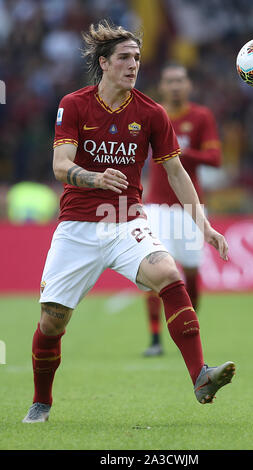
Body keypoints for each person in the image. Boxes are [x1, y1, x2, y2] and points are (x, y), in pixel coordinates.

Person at [22, 20, 235, 423]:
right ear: (104, 63)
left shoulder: (151, 112)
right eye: (124, 57)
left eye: (137, 57)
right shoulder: (75, 103)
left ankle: (200, 375)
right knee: (51, 321)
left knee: (170, 274)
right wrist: (94, 177)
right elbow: (60, 166)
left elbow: (176, 173)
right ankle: (41, 401)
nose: (133, 64)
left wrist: (203, 225)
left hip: (126, 221)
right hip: (78, 226)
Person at [143, 64, 222, 356]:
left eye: (180, 80)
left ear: (188, 85)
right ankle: (154, 339)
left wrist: (179, 153)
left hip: (189, 207)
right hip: (156, 207)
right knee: (155, 272)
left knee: (190, 272)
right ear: (162, 87)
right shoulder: (154, 114)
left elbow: (215, 158)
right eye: (169, 81)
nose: (175, 86)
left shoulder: (201, 116)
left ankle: (189, 329)